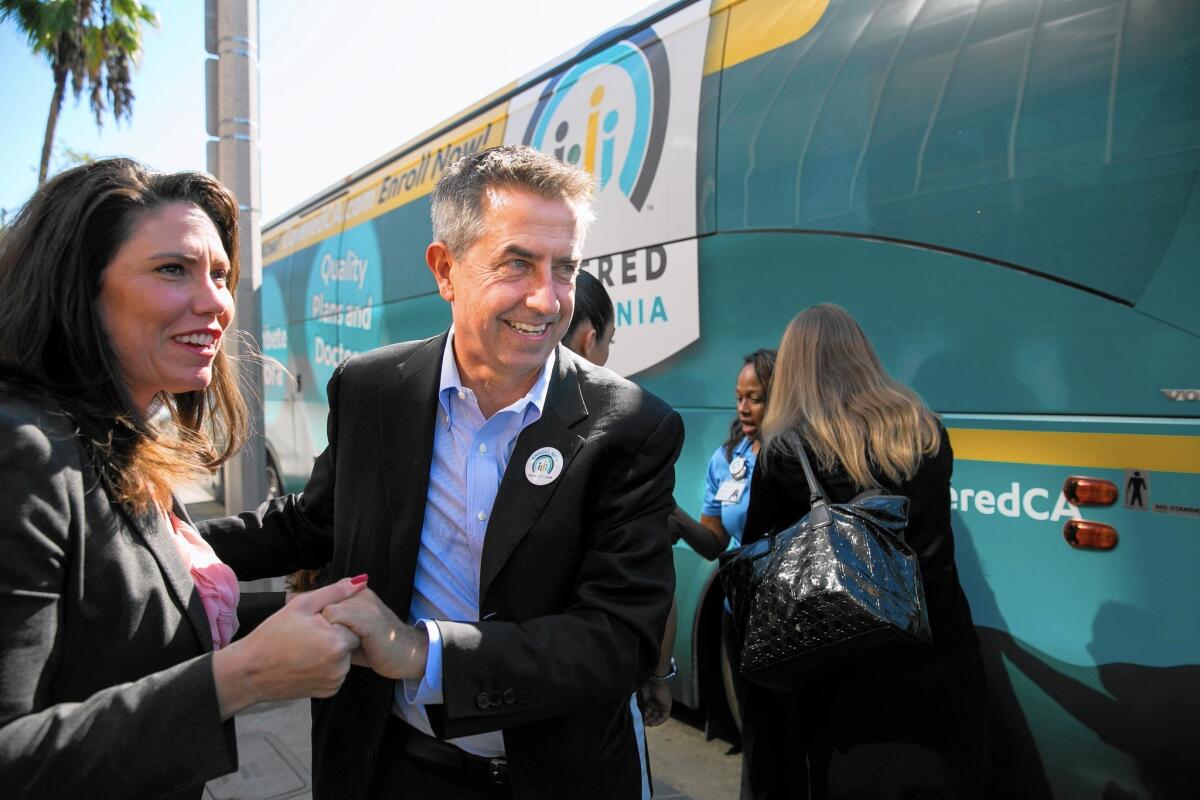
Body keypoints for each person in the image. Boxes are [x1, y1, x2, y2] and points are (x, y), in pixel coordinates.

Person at [201, 145, 684, 799]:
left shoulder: (631, 426)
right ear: (445, 268)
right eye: (518, 263)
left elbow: (619, 638)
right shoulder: (372, 390)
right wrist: (170, 548)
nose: (547, 299)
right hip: (392, 766)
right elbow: (315, 523)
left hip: (558, 778)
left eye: (564, 268)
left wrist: (420, 652)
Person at [0, 159, 367, 799]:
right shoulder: (24, 449)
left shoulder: (118, 436)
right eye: (173, 269)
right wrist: (241, 677)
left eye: (220, 274)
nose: (215, 303)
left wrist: (300, 615)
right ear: (78, 286)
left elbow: (138, 604)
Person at [739, 304, 986, 799]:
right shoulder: (925, 429)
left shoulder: (787, 452)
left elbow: (757, 560)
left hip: (843, 672)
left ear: (795, 368)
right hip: (943, 653)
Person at [670, 349, 777, 558]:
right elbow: (714, 543)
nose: (743, 409)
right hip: (744, 585)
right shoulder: (725, 459)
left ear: (778, 399)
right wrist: (669, 506)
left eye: (754, 399)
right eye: (739, 398)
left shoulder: (795, 460)